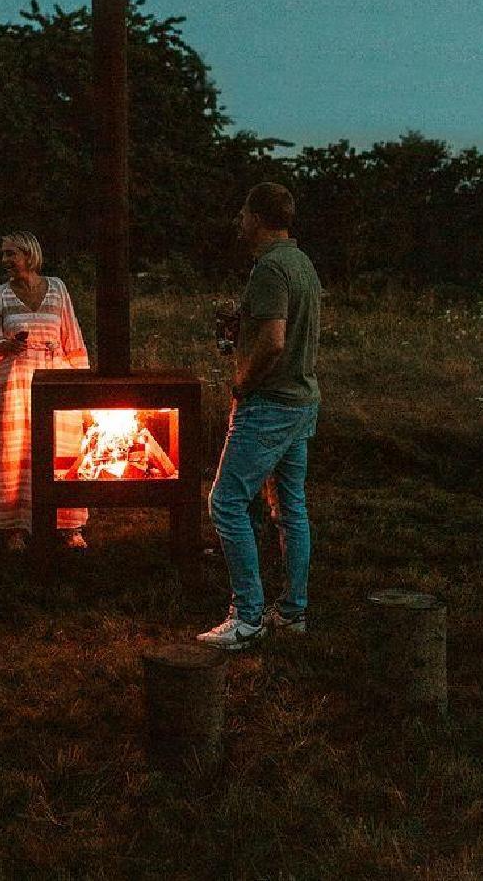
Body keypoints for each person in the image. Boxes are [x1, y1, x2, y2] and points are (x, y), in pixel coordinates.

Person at [198, 183, 321, 651]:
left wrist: (242, 384)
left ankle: (246, 618)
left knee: (226, 502)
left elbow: (272, 342)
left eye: (243, 211)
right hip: (300, 400)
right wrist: (241, 324)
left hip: (269, 404)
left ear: (256, 217)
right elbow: (279, 331)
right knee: (290, 509)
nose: (238, 220)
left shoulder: (270, 268)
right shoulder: (301, 263)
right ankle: (292, 613)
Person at [0, 231, 89, 552]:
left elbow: (73, 339)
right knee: (17, 454)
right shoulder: (0, 296)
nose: (5, 261)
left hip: (54, 377)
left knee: (58, 450)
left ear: (28, 254)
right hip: (14, 382)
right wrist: (3, 346)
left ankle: (68, 524)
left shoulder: (57, 289)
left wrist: (82, 391)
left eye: (11, 254)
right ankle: (16, 526)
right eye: (3, 254)